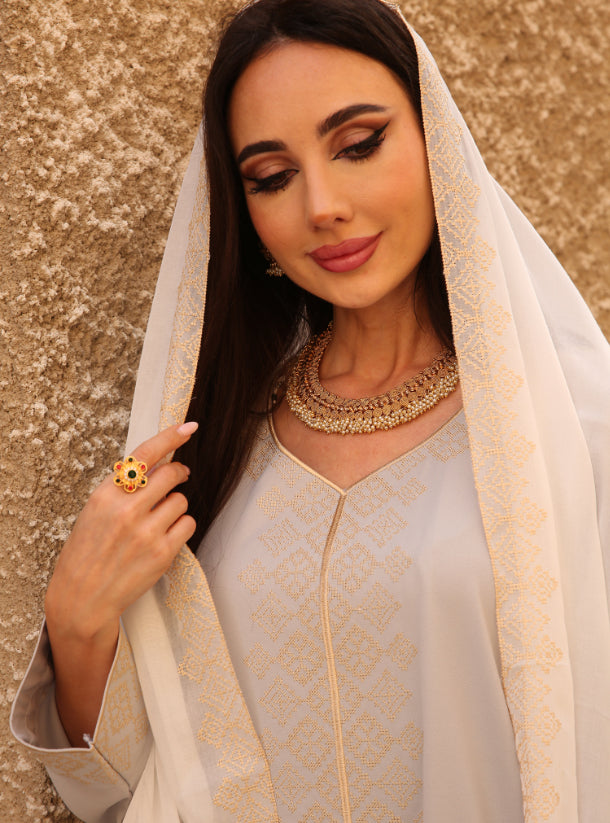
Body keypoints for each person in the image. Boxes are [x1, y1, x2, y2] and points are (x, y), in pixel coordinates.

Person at [10, 0, 610, 821]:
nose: (321, 204)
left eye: (358, 144)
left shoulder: (570, 430)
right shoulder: (218, 448)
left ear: (438, 142)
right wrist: (78, 622)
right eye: (272, 176)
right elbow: (131, 787)